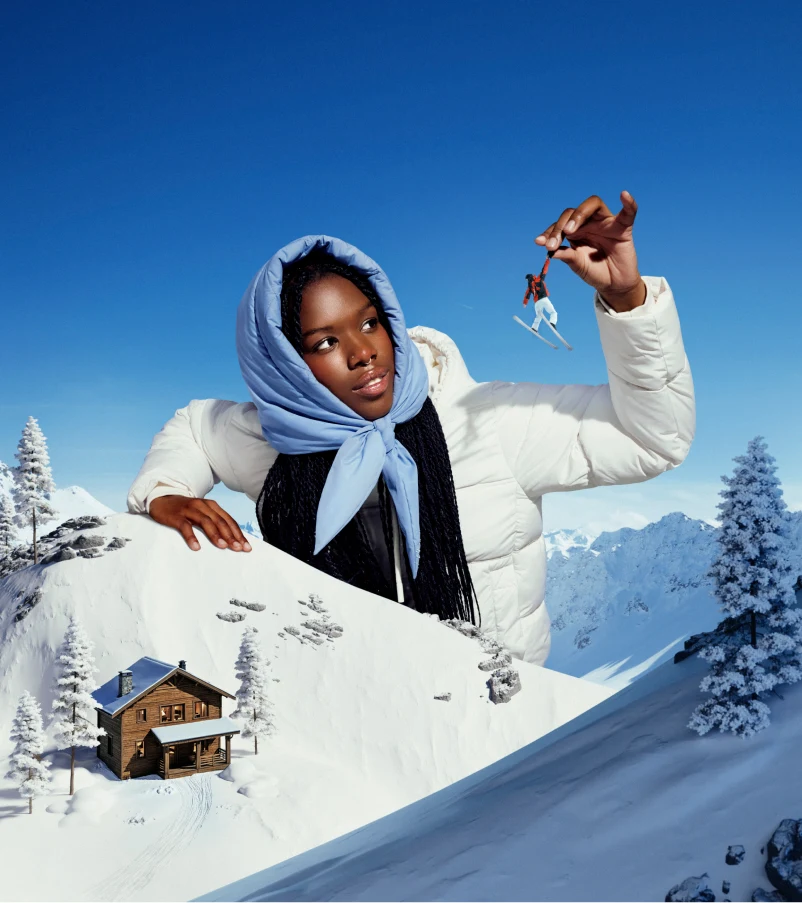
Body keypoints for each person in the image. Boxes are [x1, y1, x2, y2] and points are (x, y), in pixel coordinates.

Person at [127, 192, 696, 666]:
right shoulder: (277, 441)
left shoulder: (486, 421)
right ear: (282, 364)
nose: (363, 353)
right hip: (353, 736)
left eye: (369, 323)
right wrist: (166, 493)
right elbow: (196, 428)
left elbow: (652, 437)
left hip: (501, 735)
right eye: (324, 343)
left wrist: (627, 299)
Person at [523, 253, 559, 331]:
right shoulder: (539, 278)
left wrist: (525, 303)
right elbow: (544, 269)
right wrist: (547, 259)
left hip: (537, 303)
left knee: (538, 316)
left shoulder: (529, 287)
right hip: (544, 299)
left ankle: (534, 328)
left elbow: (527, 295)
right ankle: (552, 323)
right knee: (553, 313)